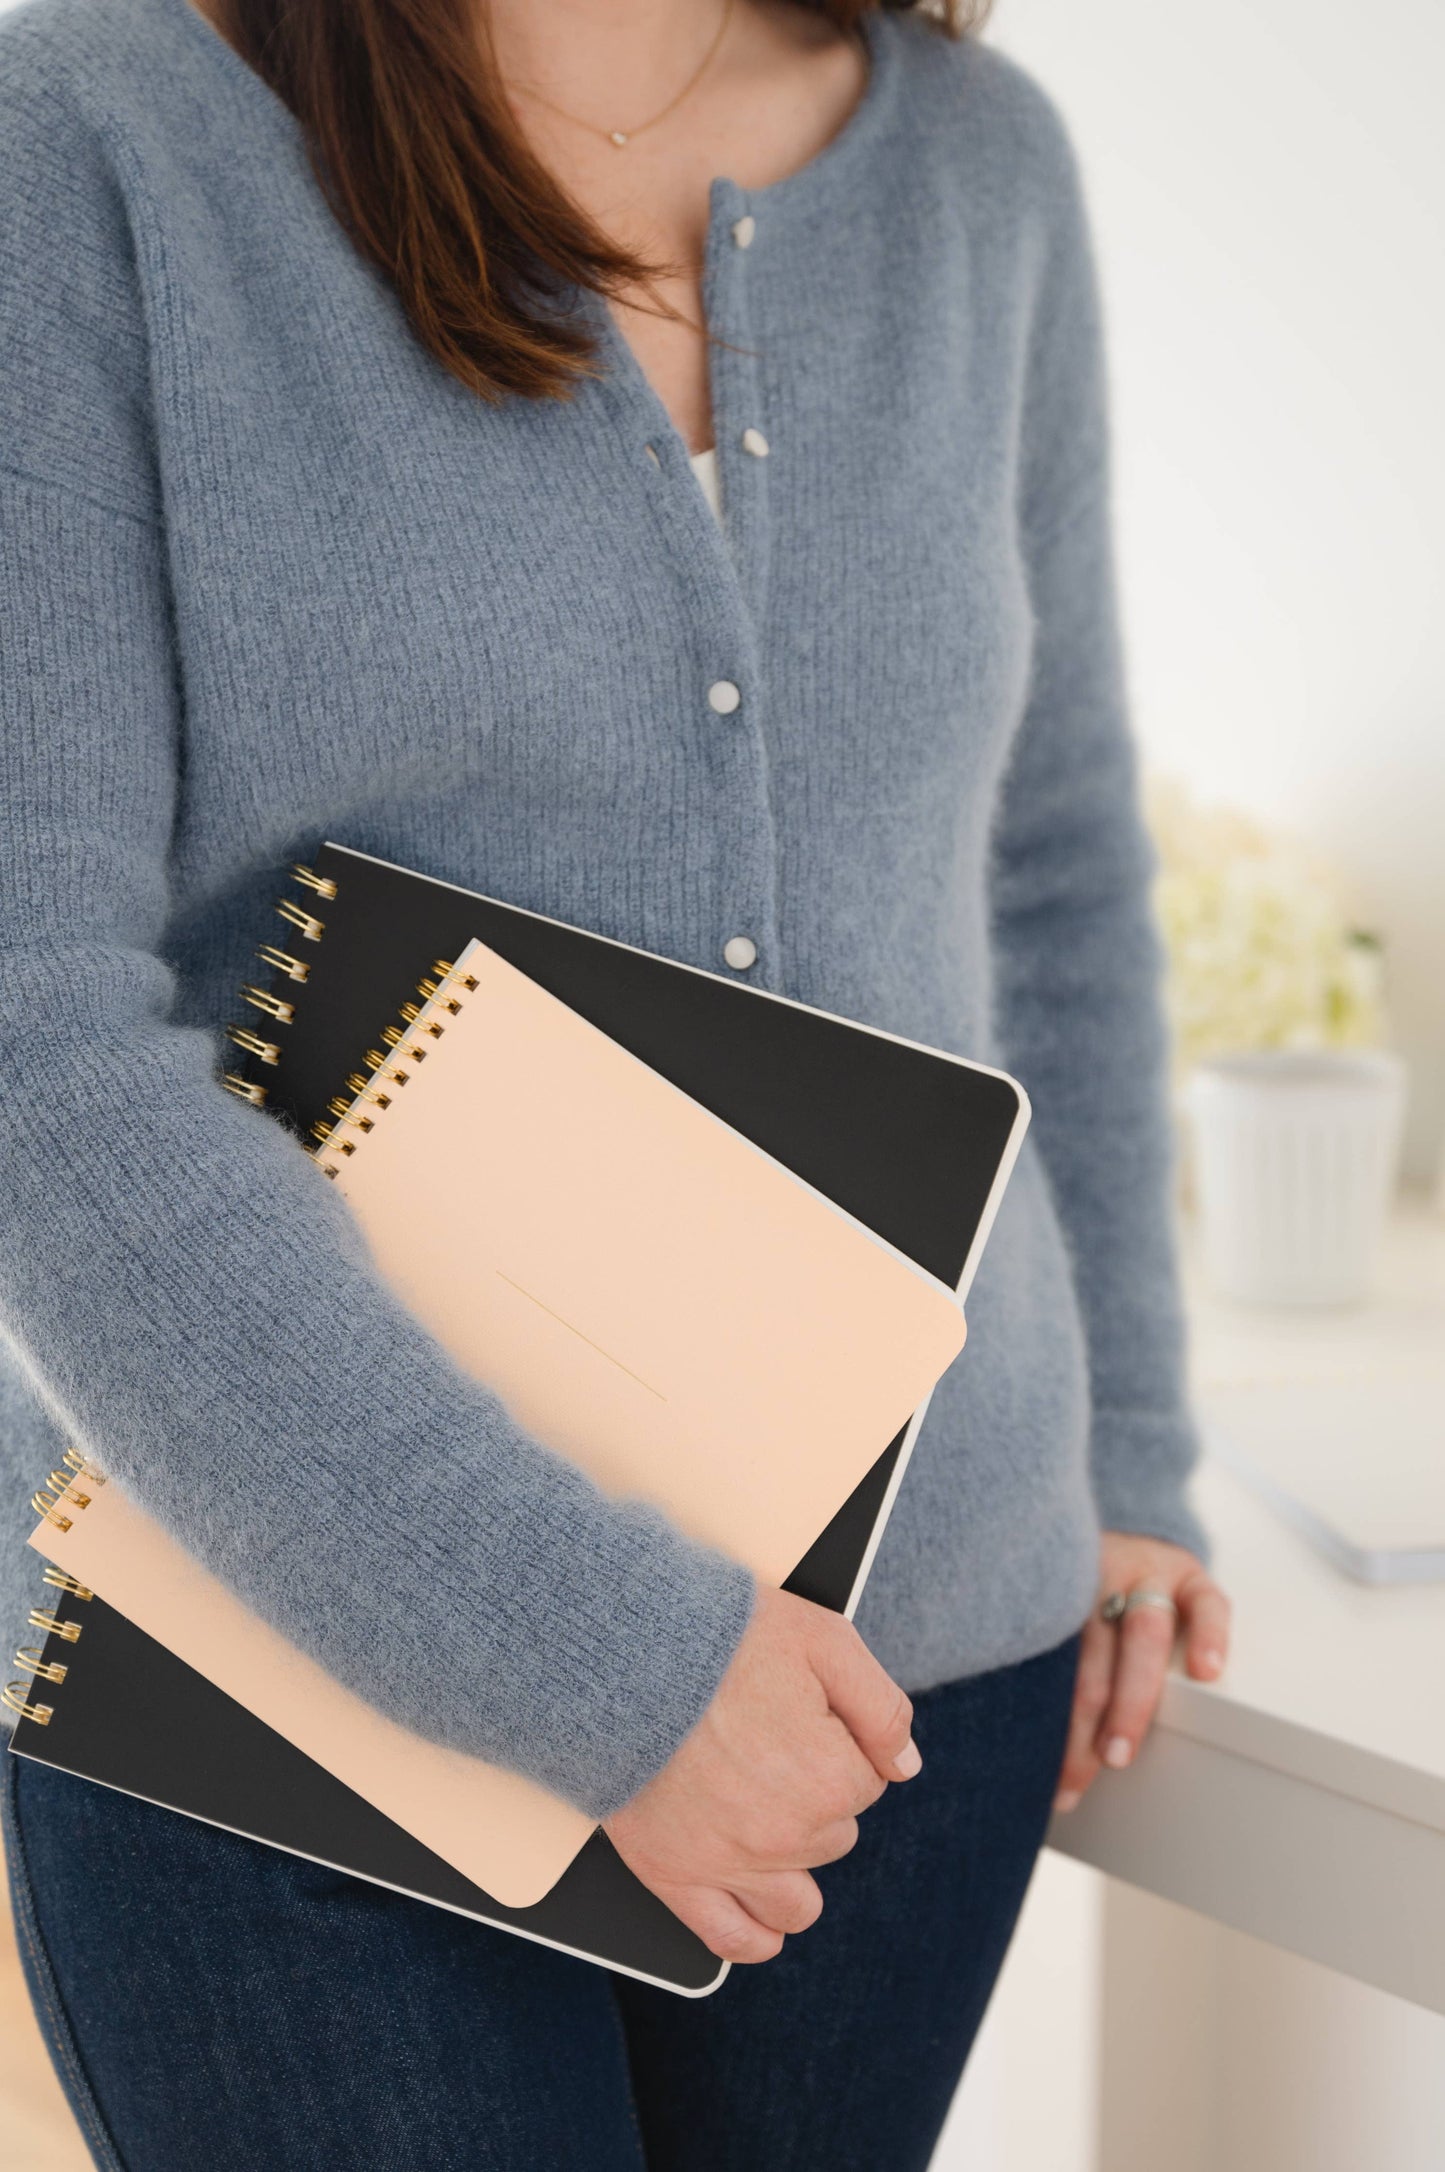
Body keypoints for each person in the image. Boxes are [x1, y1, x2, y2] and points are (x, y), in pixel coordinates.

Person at [0, 0, 1230, 2164]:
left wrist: (1128, 1440)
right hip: (283, 1670)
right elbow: (27, 1046)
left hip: (913, 1677)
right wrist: (612, 1666)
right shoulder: (86, 138)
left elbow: (1046, 861)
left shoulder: (977, 170)